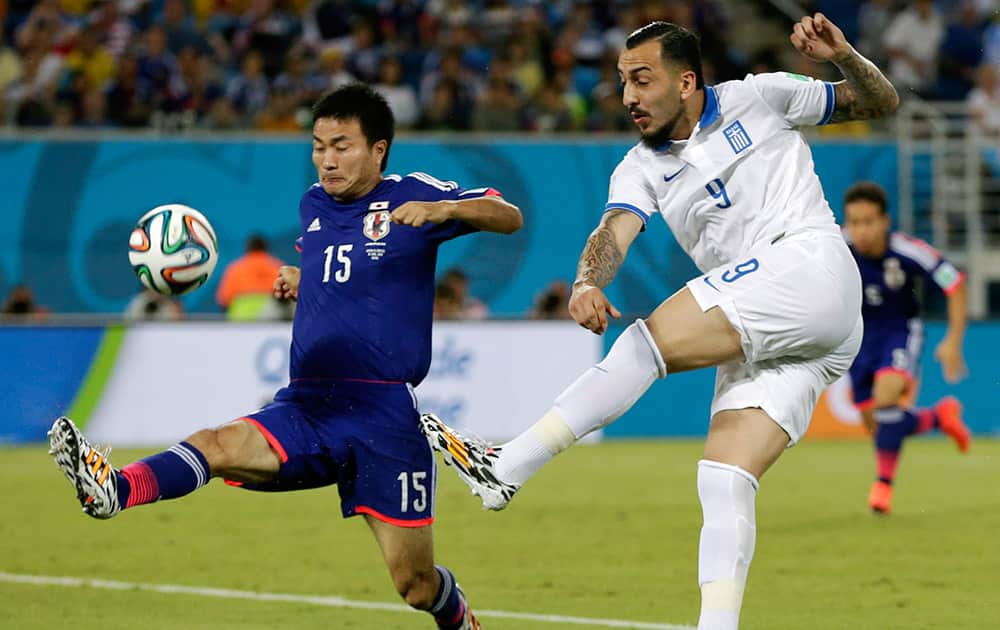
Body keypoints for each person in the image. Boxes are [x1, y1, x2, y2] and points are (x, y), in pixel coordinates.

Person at [420, 15, 898, 630]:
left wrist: (845, 56)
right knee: (723, 479)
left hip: (809, 266)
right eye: (622, 82)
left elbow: (880, 102)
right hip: (788, 325)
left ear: (687, 81)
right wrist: (589, 280)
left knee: (647, 343)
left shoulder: (761, 96)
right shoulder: (639, 167)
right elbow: (613, 232)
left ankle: (505, 469)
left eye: (641, 80)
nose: (628, 98)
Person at [48, 83, 522, 630]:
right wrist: (306, 279)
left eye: (342, 145)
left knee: (414, 585)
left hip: (384, 419)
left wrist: (443, 208)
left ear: (379, 150)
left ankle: (456, 615)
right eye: (319, 146)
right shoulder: (314, 204)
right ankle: (114, 489)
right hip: (308, 406)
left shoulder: (411, 193)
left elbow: (508, 216)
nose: (326, 159)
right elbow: (344, 270)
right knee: (217, 443)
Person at [841, 182, 971, 514]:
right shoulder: (836, 247)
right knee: (877, 420)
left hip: (899, 331)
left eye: (868, 221)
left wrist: (953, 340)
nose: (861, 230)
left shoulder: (909, 252)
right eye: (854, 222)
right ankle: (938, 419)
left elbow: (954, 283)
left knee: (887, 397)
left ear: (885, 221)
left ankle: (882, 488)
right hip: (857, 339)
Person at [214, 233, 285, 320]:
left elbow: (224, 300)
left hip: (240, 317)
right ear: (266, 248)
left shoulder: (236, 268)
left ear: (247, 248)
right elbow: (285, 296)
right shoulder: (277, 266)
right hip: (271, 316)